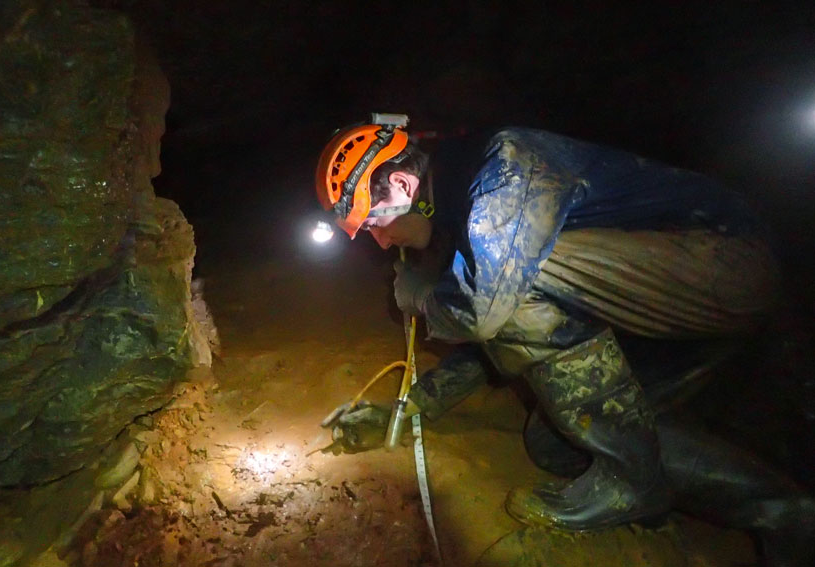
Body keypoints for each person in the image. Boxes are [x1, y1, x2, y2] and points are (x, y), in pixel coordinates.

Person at [315, 116, 814, 565]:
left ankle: (631, 480)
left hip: (726, 261)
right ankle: (781, 510)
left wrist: (424, 299)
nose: (380, 242)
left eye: (374, 223)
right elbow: (490, 325)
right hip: (667, 313)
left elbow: (489, 309)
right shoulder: (465, 208)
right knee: (554, 441)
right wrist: (413, 409)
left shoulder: (504, 172)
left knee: (509, 279)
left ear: (403, 184)